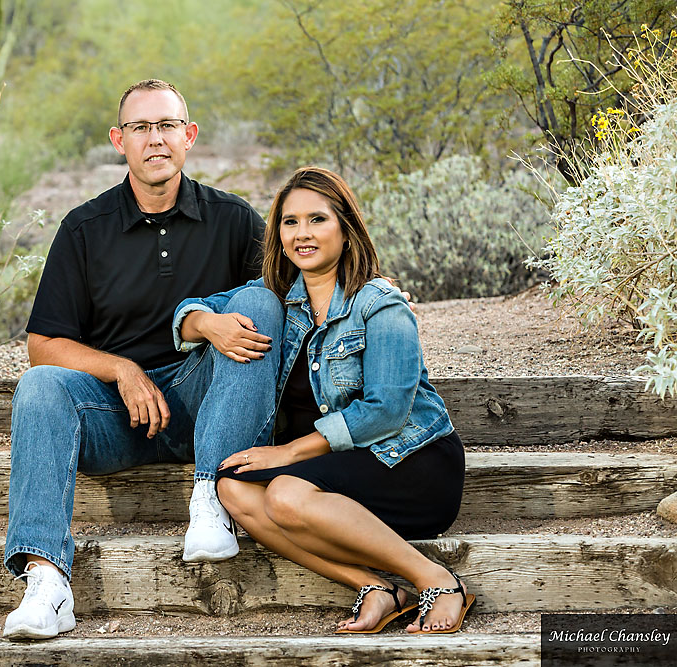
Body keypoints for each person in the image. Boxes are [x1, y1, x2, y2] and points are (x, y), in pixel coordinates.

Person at [1, 79, 285, 640]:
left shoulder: (233, 219)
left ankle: (211, 495)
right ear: (118, 140)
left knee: (258, 298)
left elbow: (294, 296)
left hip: (211, 406)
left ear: (189, 135)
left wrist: (367, 286)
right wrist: (121, 370)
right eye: (140, 128)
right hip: (118, 418)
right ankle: (47, 581)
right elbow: (42, 346)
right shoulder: (84, 229)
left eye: (166, 126)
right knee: (39, 388)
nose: (154, 139)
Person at [173, 166, 473, 635]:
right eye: (290, 222)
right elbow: (187, 314)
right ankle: (375, 587)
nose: (302, 234)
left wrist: (289, 452)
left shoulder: (381, 305)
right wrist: (207, 324)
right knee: (231, 487)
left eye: (317, 219)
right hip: (338, 462)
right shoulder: (275, 299)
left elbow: (386, 412)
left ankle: (437, 580)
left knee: (285, 494)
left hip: (410, 460)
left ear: (346, 229)